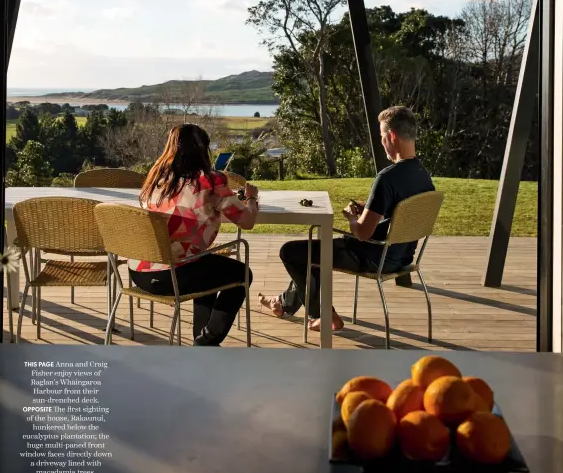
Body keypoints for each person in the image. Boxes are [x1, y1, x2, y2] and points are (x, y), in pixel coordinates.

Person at [259, 106, 435, 333]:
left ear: (391, 136)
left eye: (382, 137)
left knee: (292, 252)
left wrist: (353, 217)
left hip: (373, 256)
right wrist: (368, 210)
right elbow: (398, 213)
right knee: (313, 253)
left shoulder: (387, 178)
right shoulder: (423, 175)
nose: (382, 143)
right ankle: (283, 303)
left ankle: (324, 315)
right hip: (401, 256)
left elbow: (362, 233)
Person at [130, 123, 259, 346]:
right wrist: (252, 200)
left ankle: (202, 337)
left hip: (140, 272)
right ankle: (206, 343)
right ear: (203, 149)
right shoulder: (210, 180)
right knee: (242, 274)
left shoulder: (155, 179)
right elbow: (246, 222)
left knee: (206, 267)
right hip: (172, 276)